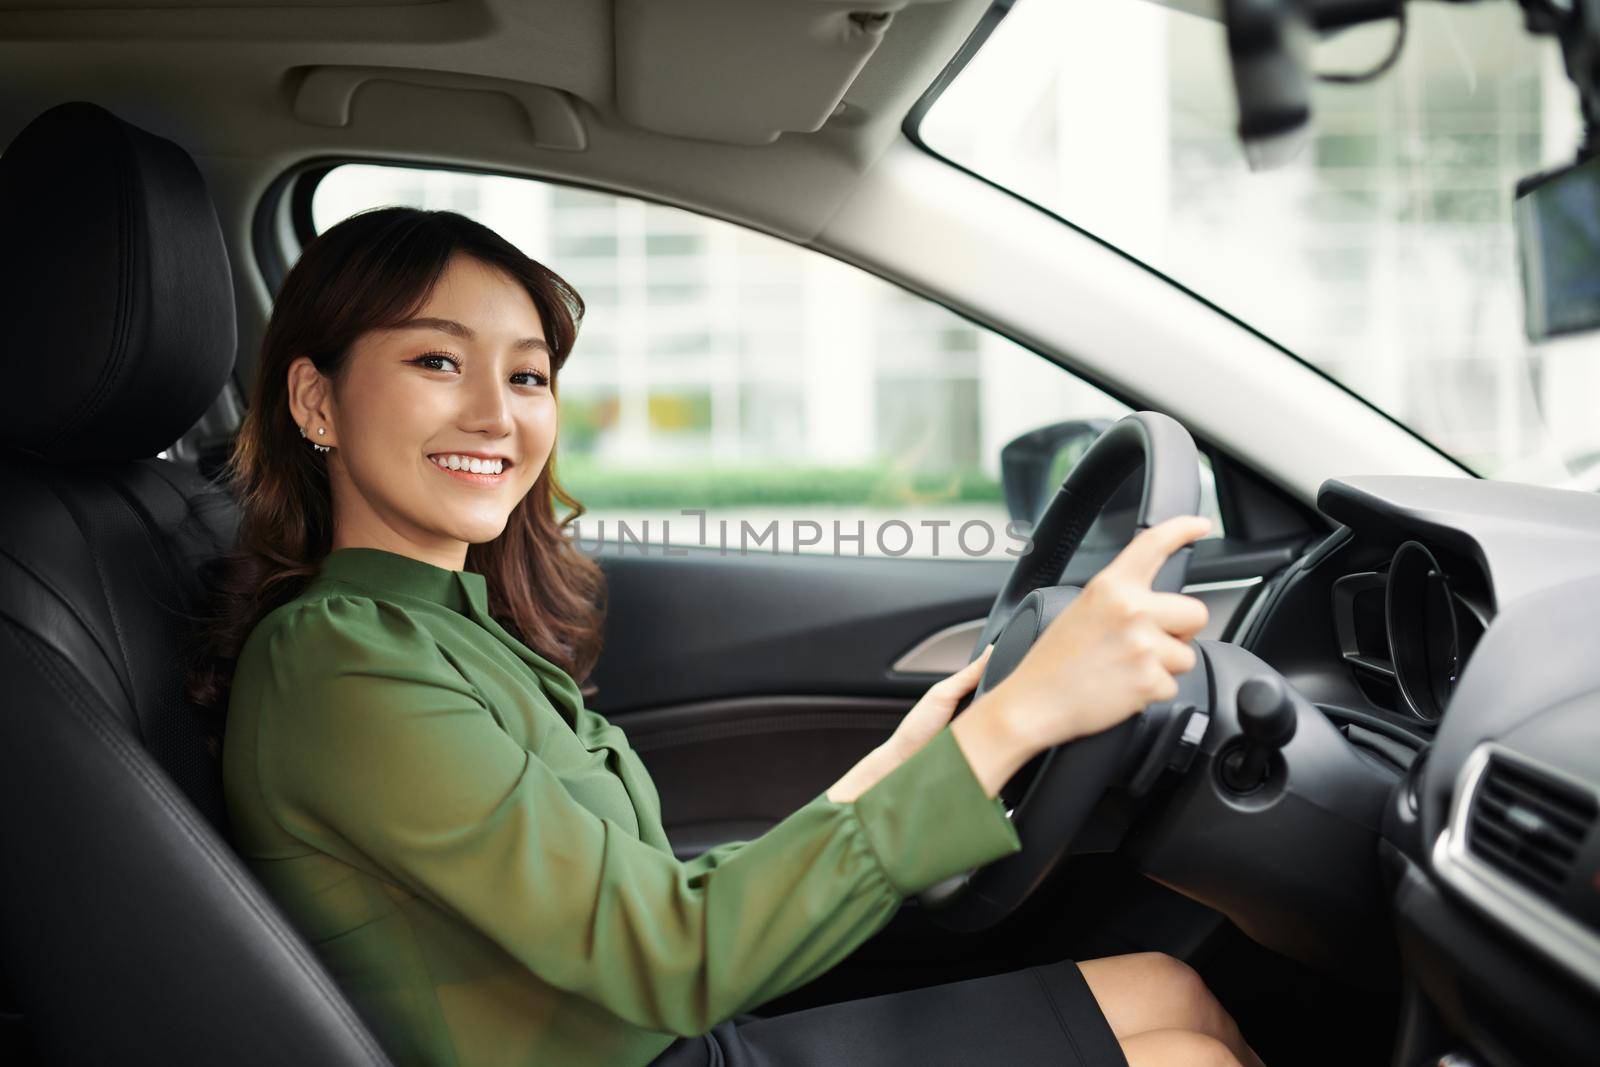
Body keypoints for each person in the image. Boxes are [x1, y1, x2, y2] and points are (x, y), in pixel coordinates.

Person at [188, 206, 1266, 1067]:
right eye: (437, 361)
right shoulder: (343, 661)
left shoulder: (441, 632)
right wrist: (1022, 717)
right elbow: (673, 954)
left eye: (526, 375)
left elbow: (646, 907)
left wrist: (901, 766)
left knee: (1172, 991)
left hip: (661, 1033)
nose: (497, 415)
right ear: (315, 402)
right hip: (662, 1037)